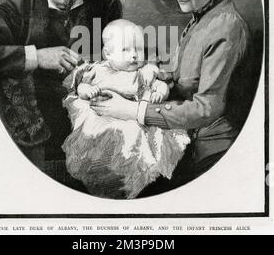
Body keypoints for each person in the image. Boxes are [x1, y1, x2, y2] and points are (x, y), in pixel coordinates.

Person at [91, 0, 253, 195]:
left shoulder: (226, 27)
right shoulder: (203, 17)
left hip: (212, 154)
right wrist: (156, 75)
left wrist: (134, 111)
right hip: (191, 144)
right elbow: (186, 77)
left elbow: (206, 109)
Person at [0, 0, 122, 183]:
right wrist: (36, 57)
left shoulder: (107, 5)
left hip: (97, 136)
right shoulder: (13, 12)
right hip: (39, 146)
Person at [61, 19, 190, 199]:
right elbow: (79, 88)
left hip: (137, 120)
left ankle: (137, 184)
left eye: (138, 49)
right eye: (125, 50)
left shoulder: (143, 72)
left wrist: (160, 92)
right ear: (108, 53)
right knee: (108, 148)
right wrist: (88, 91)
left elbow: (161, 85)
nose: (134, 56)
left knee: (139, 146)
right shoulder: (97, 70)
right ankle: (111, 182)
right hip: (104, 121)